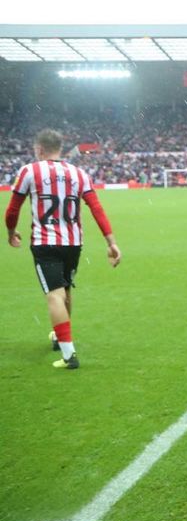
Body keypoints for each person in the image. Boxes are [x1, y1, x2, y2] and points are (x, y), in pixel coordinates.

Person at [4, 129, 122, 369]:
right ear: (60, 148)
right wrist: (111, 242)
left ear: (39, 149)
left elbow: (13, 209)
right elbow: (96, 208)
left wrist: (10, 232)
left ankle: (69, 356)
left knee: (54, 295)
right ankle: (60, 337)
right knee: (65, 289)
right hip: (73, 243)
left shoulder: (29, 171)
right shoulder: (79, 173)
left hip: (45, 242)